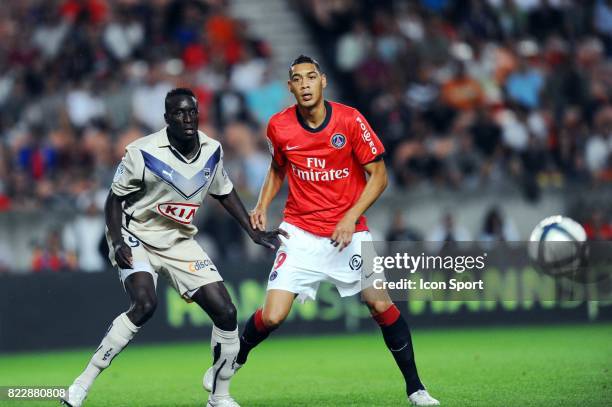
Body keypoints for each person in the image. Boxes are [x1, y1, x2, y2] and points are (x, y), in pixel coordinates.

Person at [203, 56, 439, 406]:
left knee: (379, 303)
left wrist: (349, 216)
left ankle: (416, 389)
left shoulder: (350, 119)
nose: (305, 84)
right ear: (290, 87)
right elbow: (278, 168)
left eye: (311, 77)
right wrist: (263, 204)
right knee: (273, 315)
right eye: (298, 79)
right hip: (300, 231)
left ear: (323, 81)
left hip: (351, 231)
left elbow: (380, 176)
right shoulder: (279, 126)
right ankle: (236, 358)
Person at [61, 88, 284, 407]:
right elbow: (114, 199)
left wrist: (252, 231)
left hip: (179, 240)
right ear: (167, 119)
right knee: (145, 304)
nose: (188, 118)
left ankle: (219, 396)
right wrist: (118, 239)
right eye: (180, 113)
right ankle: (81, 385)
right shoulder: (142, 152)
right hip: (137, 234)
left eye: (192, 111)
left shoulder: (212, 150)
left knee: (227, 312)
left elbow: (224, 191)